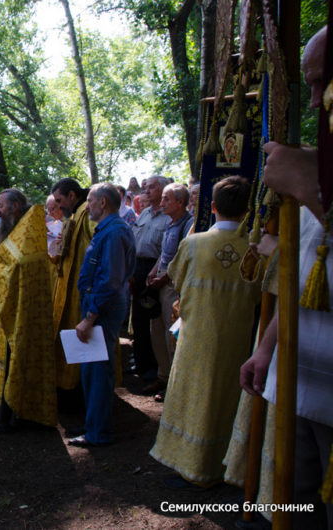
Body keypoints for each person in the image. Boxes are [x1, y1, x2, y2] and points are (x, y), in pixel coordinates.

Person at [240, 26, 333, 528]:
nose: (317, 102)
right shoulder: (325, 163)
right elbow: (307, 275)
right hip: (299, 384)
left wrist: (313, 191)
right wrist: (267, 347)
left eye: (324, 83)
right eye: (310, 87)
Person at [147, 176, 260, 488]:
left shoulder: (194, 244)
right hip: (237, 339)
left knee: (192, 397)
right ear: (247, 210)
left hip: (197, 335)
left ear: (211, 207)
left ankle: (191, 466)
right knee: (226, 398)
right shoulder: (255, 250)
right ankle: (226, 465)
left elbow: (176, 280)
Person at [0, 189, 57, 432]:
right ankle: (2, 411)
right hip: (9, 303)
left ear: (14, 207)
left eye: (1, 206)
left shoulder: (29, 229)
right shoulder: (13, 229)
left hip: (24, 310)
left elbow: (22, 265)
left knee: (18, 356)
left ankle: (16, 413)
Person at [68, 183, 136, 447]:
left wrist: (90, 316)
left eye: (90, 201)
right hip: (99, 307)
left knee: (97, 372)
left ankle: (98, 433)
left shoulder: (114, 233)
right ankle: (93, 424)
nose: (88, 205)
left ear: (103, 203)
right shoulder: (107, 231)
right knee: (91, 370)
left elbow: (110, 279)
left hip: (103, 310)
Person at [144, 183, 193, 400]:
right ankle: (163, 376)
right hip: (160, 283)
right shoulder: (170, 224)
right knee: (157, 331)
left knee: (170, 335)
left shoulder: (189, 225)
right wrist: (153, 272)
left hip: (173, 286)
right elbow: (164, 254)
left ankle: (173, 385)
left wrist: (164, 277)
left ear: (181, 202)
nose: (162, 203)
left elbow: (183, 260)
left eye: (167, 199)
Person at [50, 178, 95, 402]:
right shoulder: (72, 216)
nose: (58, 207)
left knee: (84, 340)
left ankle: (81, 392)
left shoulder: (87, 212)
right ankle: (72, 388)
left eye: (60, 200)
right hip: (69, 289)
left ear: (72, 196)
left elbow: (99, 246)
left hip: (83, 291)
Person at [130, 176, 171, 381]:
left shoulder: (170, 217)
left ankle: (157, 368)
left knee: (154, 319)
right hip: (138, 267)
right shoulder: (144, 213)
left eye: (152, 187)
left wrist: (155, 273)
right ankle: (140, 363)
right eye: (146, 187)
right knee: (138, 318)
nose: (146, 190)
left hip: (156, 269)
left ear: (163, 191)